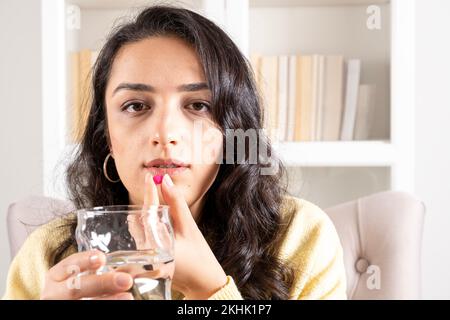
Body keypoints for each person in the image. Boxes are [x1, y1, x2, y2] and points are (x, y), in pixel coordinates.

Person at [3, 5, 346, 300]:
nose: (165, 134)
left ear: (230, 132)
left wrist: (209, 290)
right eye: (136, 106)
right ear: (106, 135)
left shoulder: (301, 237)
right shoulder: (46, 254)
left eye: (198, 105)